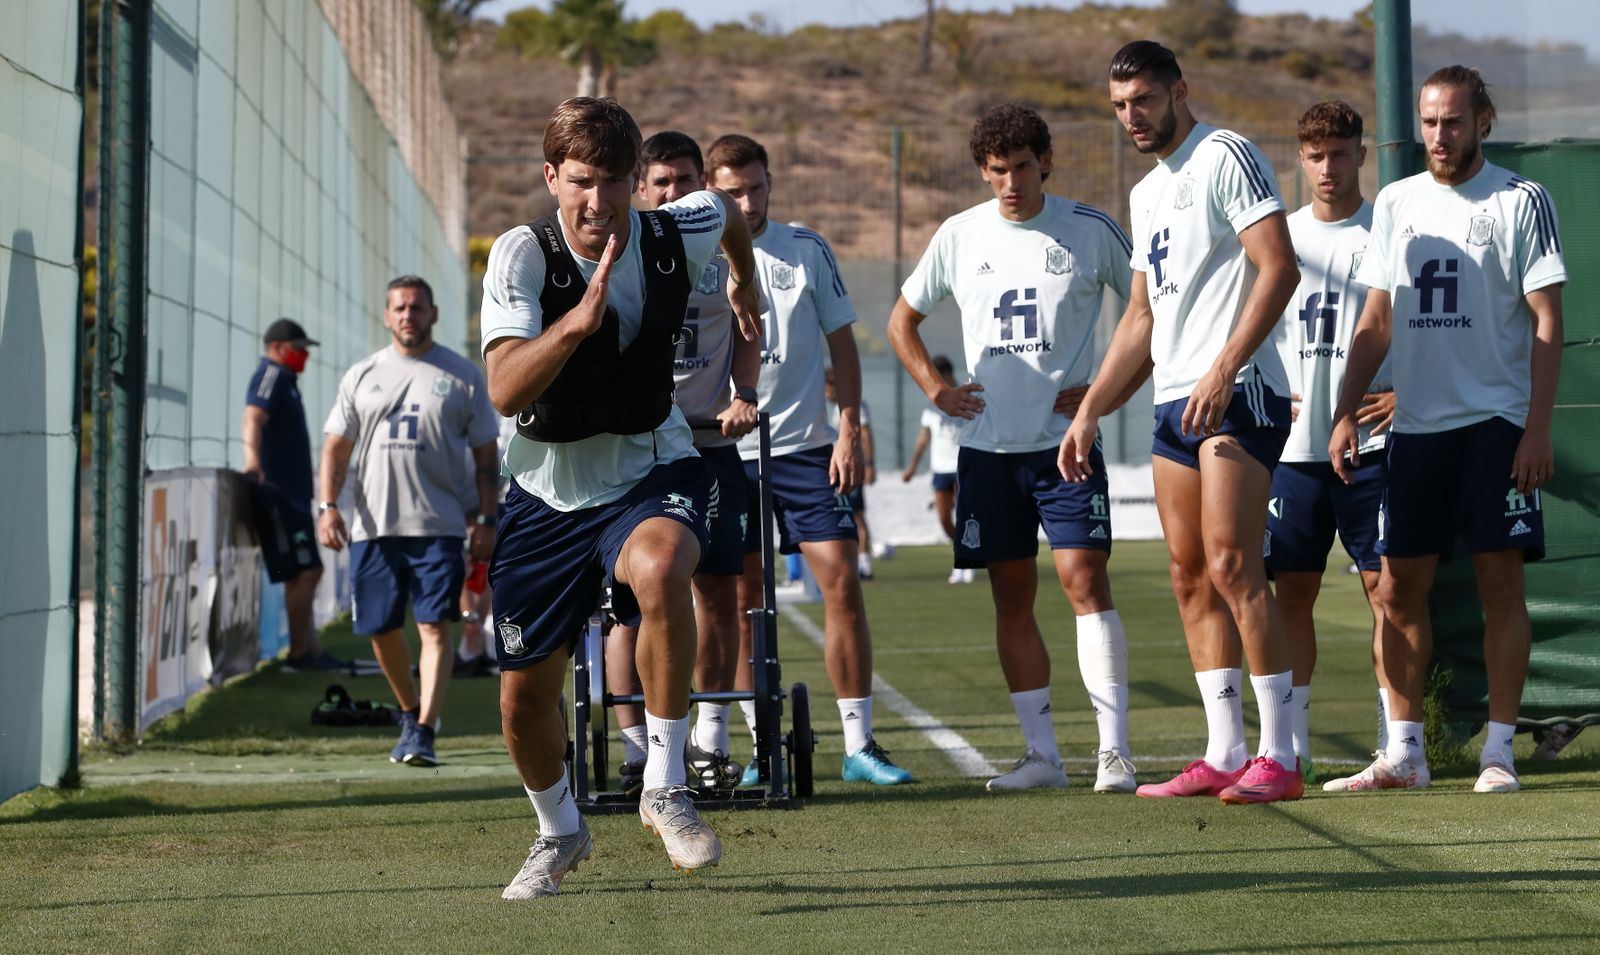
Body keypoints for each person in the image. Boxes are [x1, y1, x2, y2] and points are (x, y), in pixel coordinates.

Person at [480, 97, 761, 899]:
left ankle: (666, 784)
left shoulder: (678, 228)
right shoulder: (521, 256)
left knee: (666, 564)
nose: (595, 201)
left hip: (650, 462)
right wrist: (573, 326)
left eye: (611, 182)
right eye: (577, 183)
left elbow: (730, 218)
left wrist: (742, 282)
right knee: (521, 700)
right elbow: (502, 387)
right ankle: (561, 831)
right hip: (546, 486)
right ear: (549, 178)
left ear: (638, 181)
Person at [1058, 41, 1304, 805]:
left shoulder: (1226, 154)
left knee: (1235, 566)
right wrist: (1093, 407)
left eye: (1144, 101)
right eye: (1121, 106)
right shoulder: (1147, 193)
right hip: (1173, 403)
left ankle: (1280, 756)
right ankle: (1224, 750)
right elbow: (1139, 316)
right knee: (1189, 574)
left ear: (1179, 92)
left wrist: (1226, 364)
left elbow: (1279, 265)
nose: (1133, 116)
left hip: (1237, 393)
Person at [1323, 67, 1565, 795]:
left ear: (1482, 120)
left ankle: (1498, 750)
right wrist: (1343, 408)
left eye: (1453, 121)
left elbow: (1549, 322)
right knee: (1396, 590)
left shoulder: (1522, 199)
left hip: (1496, 424)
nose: (1438, 134)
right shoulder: (1395, 203)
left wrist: (1537, 428)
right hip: (1416, 431)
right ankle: (1404, 753)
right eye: (1428, 121)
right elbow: (1375, 321)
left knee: (1499, 586)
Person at [889, 103, 1139, 793]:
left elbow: (1150, 314)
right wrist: (937, 391)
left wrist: (1103, 397)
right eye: (996, 171)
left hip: (1066, 446)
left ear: (1046, 162)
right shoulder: (959, 234)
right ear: (983, 171)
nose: (1010, 182)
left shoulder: (1090, 231)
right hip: (989, 452)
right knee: (1011, 594)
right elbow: (901, 320)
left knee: (1085, 578)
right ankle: (1043, 756)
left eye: (1022, 167)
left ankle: (1114, 752)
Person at [707, 132, 912, 787]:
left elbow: (843, 345)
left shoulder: (806, 249)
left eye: (757, 186)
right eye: (734, 191)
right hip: (724, 454)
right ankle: (746, 746)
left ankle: (859, 745)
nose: (749, 200)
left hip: (806, 451)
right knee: (738, 601)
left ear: (771, 182)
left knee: (842, 581)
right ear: (712, 191)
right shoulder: (695, 253)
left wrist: (849, 427)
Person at [605, 130, 762, 797]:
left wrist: (744, 396)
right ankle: (639, 746)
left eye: (685, 182)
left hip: (711, 447)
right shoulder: (623, 247)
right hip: (638, 451)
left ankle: (710, 738)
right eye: (661, 182)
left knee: (723, 594)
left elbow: (752, 329)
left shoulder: (718, 243)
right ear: (641, 189)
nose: (673, 194)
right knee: (629, 606)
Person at [316, 276, 501, 768]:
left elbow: (487, 455)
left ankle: (422, 731)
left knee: (435, 628)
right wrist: (327, 506)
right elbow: (335, 447)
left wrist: (486, 517)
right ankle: (410, 709)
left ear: (433, 314)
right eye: (399, 307)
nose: (408, 316)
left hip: (438, 526)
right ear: (386, 315)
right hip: (372, 529)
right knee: (379, 629)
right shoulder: (362, 374)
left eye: (417, 307)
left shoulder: (462, 376)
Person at [1264, 101, 1395, 782]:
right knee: (1292, 593)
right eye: (1315, 155)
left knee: (1385, 589)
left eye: (1339, 153)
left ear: (1360, 155)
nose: (1327, 167)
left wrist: (1408, 394)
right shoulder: (1277, 237)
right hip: (1293, 451)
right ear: (1299, 158)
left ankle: (1390, 738)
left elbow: (1425, 328)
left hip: (1373, 444)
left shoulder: (1386, 229)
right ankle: (1294, 741)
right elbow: (1250, 327)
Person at [242, 318, 343, 671]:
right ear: (277, 348)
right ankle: (300, 652)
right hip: (279, 494)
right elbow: (253, 417)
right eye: (298, 349)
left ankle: (308, 648)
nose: (304, 356)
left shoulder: (287, 380)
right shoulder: (271, 375)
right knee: (308, 570)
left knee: (302, 572)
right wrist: (253, 461)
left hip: (293, 494)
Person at [901, 355, 972, 584]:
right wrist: (912, 466)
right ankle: (961, 551)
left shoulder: (968, 398)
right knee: (943, 518)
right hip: (940, 468)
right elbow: (924, 438)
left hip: (962, 465)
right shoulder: (932, 405)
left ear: (949, 375)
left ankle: (966, 562)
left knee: (963, 515)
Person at [824, 367, 883, 579]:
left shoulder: (853, 407)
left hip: (850, 467)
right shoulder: (826, 408)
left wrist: (869, 464)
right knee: (836, 515)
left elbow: (865, 434)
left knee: (856, 515)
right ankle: (842, 562)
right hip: (831, 469)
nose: (826, 392)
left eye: (828, 387)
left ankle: (864, 563)